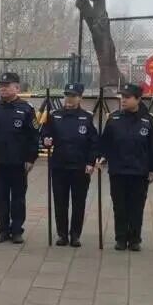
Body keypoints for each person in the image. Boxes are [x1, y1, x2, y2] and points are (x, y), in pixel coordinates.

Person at [0, 72, 39, 244]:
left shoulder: (26, 109)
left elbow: (34, 137)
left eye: (7, 85)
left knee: (18, 198)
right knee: (0, 197)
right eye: (1, 85)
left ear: (17, 88)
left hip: (19, 162)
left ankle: (17, 230)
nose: (3, 88)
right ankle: (2, 230)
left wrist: (31, 159)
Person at [97, 83, 153, 251]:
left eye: (127, 97)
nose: (123, 100)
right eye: (122, 97)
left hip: (139, 172)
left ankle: (134, 239)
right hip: (118, 170)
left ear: (138, 99)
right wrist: (102, 157)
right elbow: (105, 143)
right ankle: (120, 238)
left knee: (136, 207)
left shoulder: (148, 121)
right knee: (119, 206)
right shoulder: (114, 119)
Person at [41, 83, 99, 247]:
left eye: (73, 96)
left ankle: (75, 235)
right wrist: (46, 140)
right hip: (59, 166)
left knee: (78, 203)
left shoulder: (87, 117)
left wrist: (91, 162)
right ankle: (62, 235)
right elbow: (45, 133)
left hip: (80, 167)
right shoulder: (54, 115)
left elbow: (94, 143)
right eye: (67, 95)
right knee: (60, 202)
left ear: (80, 98)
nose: (69, 99)